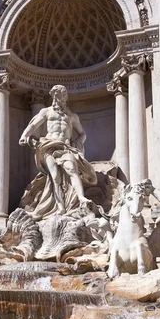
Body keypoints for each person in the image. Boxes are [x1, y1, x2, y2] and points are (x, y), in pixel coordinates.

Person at [19, 85, 97, 219]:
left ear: (65, 97)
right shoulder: (46, 111)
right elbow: (33, 124)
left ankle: (81, 198)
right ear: (53, 96)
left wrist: (77, 144)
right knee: (55, 176)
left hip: (65, 147)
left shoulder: (72, 116)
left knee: (72, 170)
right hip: (49, 146)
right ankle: (60, 207)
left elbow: (82, 133)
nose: (59, 97)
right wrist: (24, 135)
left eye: (62, 95)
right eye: (57, 95)